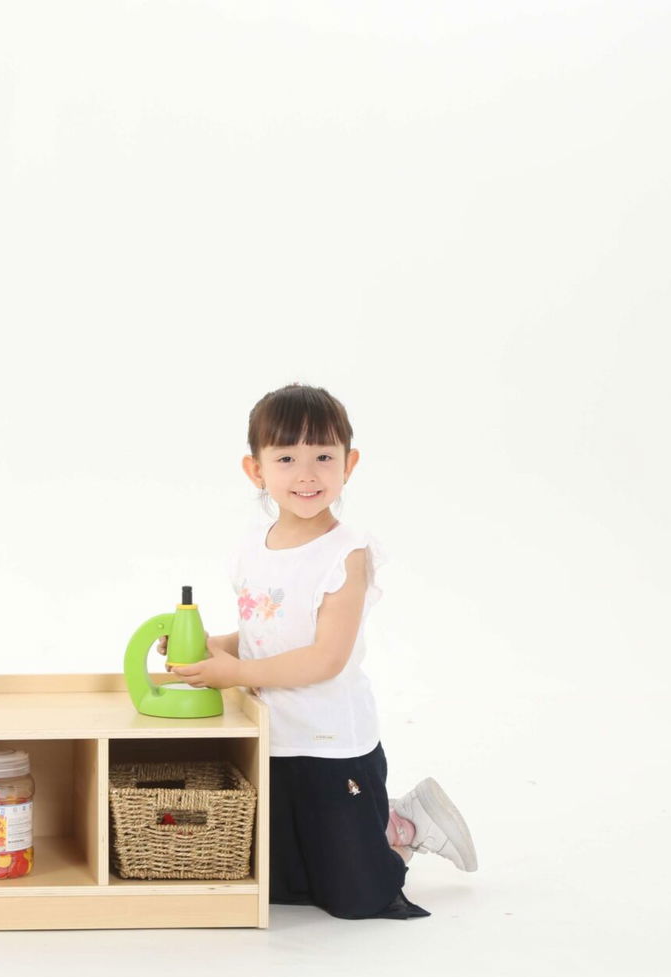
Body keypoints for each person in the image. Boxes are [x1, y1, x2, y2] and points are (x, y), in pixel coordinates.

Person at [169, 382, 477, 920]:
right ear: (256, 470)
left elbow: (325, 658)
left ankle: (404, 823)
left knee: (357, 899)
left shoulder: (345, 554)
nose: (307, 474)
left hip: (331, 741)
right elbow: (265, 631)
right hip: (271, 737)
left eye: (324, 457)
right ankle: (361, 831)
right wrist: (211, 648)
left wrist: (234, 672)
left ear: (349, 464)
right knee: (281, 885)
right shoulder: (251, 548)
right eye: (287, 458)